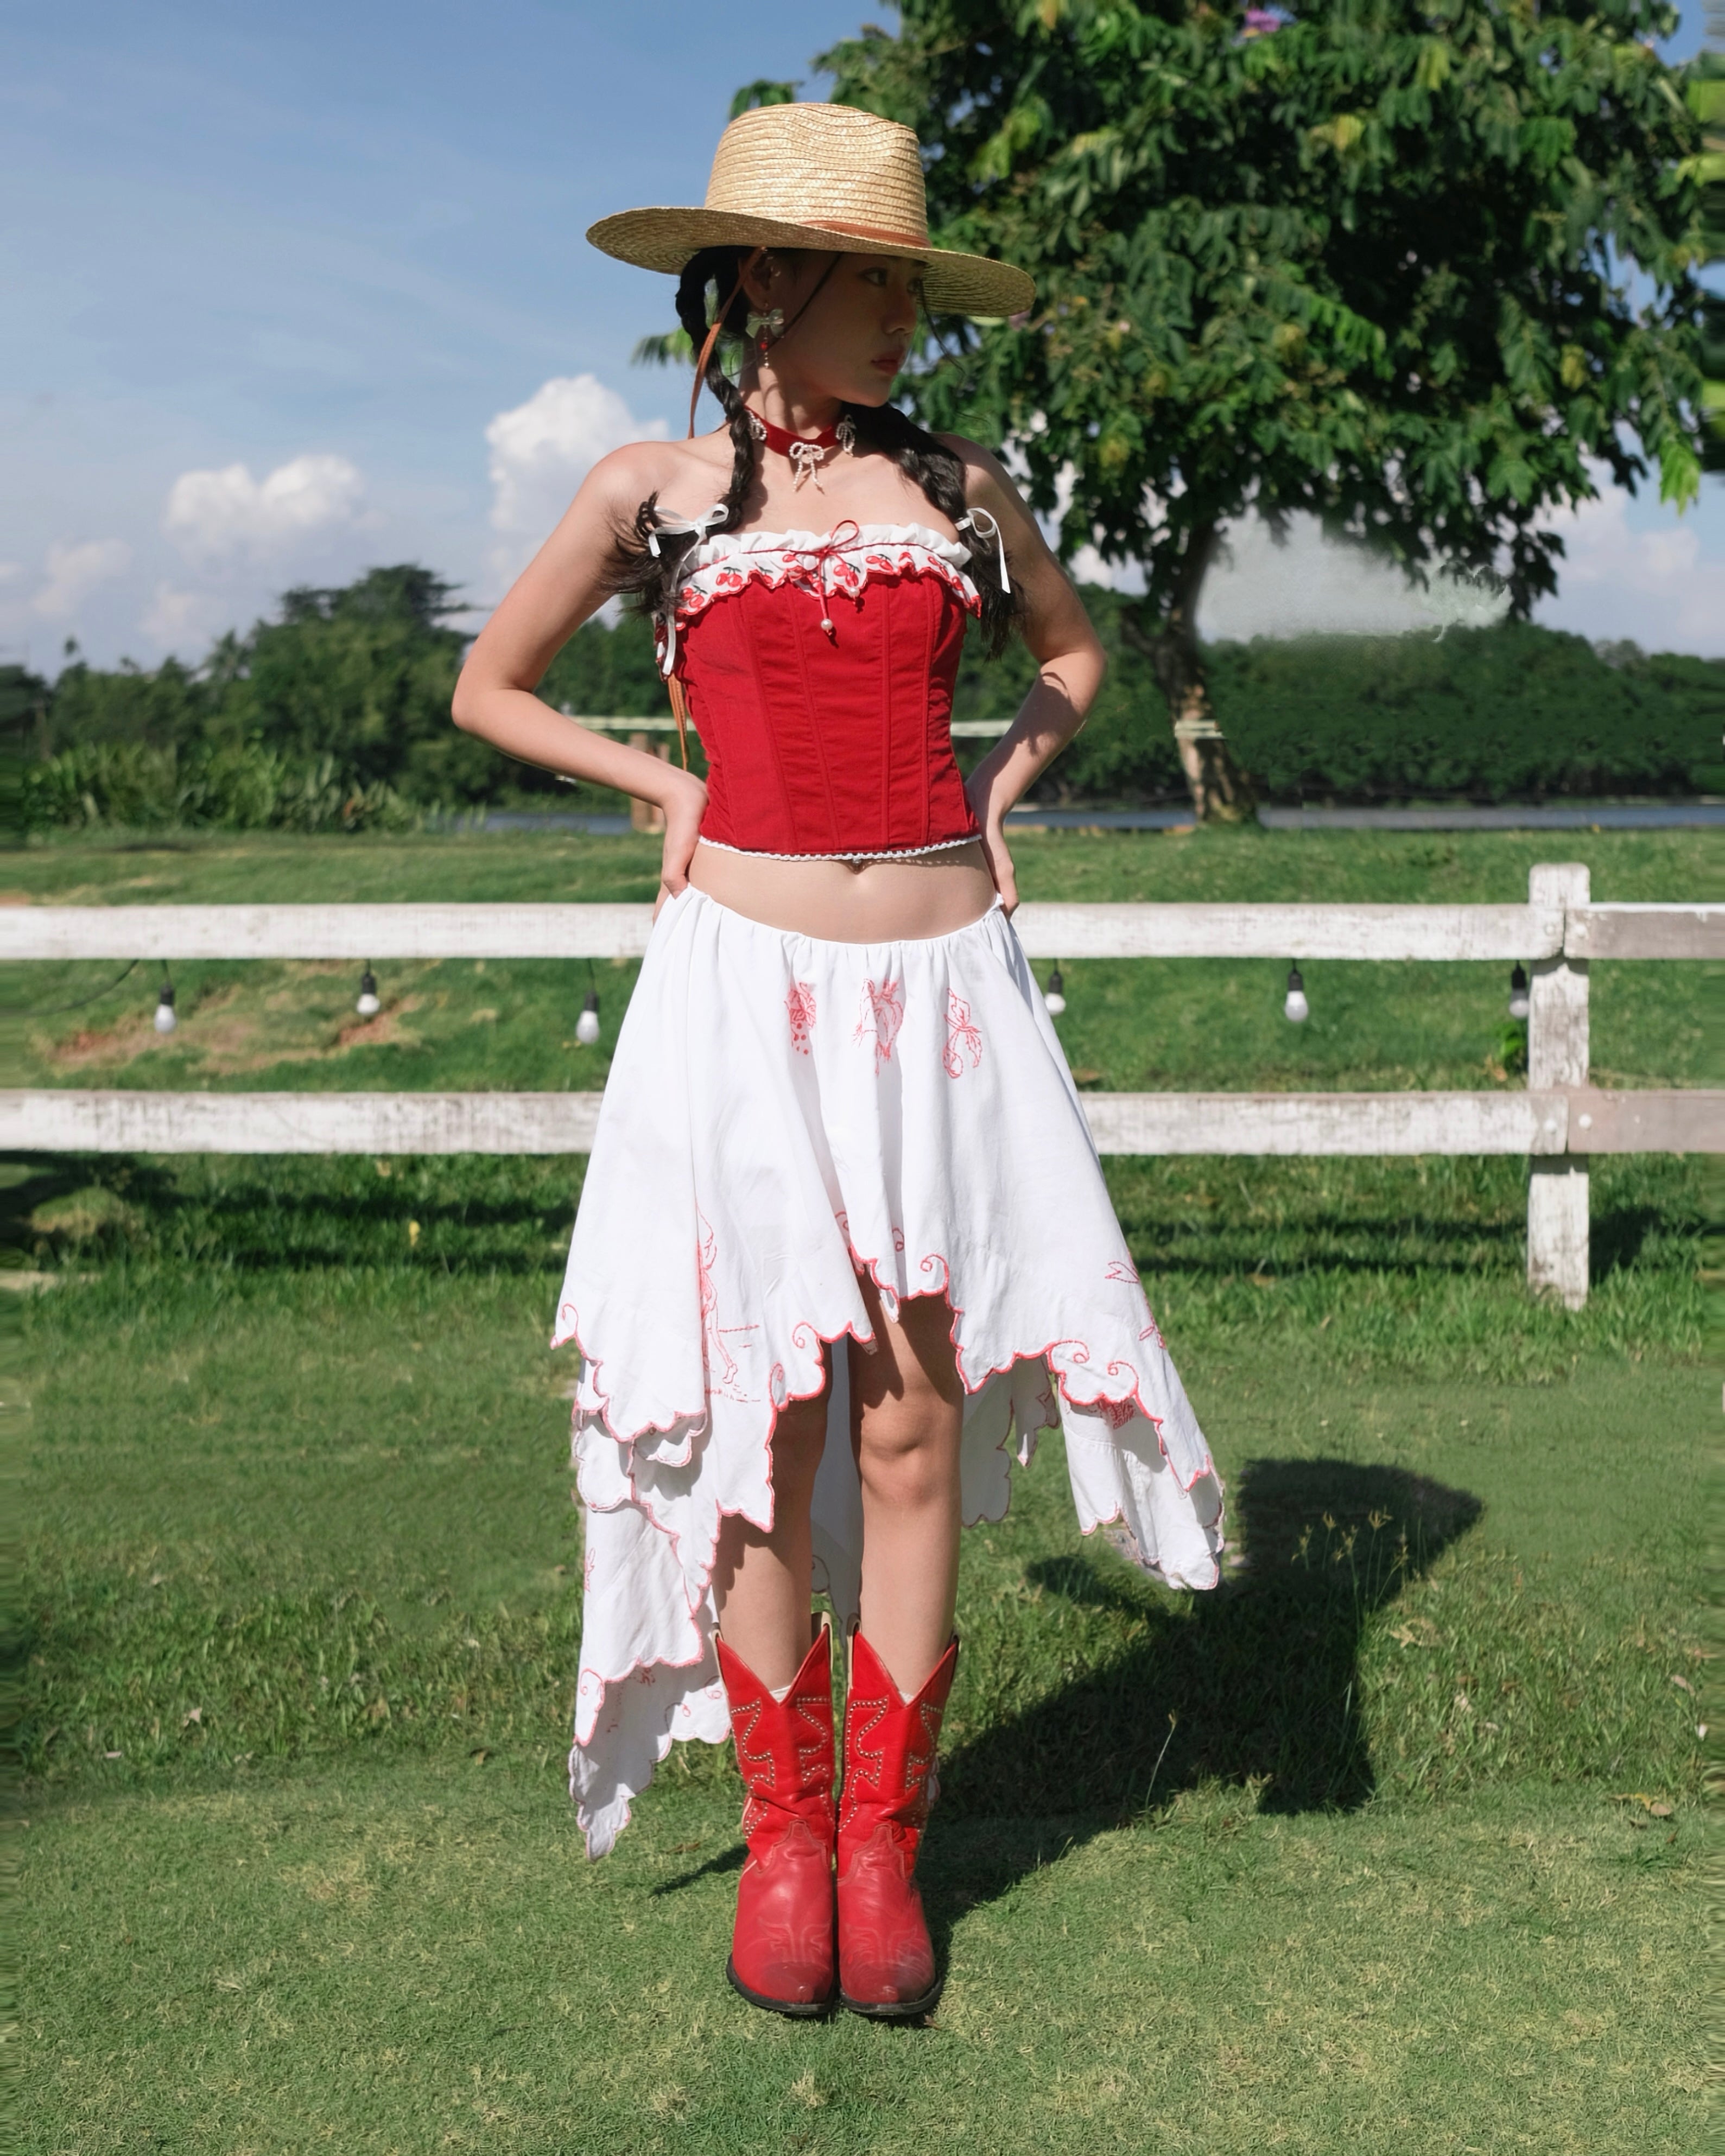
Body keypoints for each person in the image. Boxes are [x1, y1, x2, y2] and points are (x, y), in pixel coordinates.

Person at [452, 100, 1225, 2023]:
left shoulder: (961, 486)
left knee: (909, 1416)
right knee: (761, 1411)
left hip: (945, 1002)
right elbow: (489, 684)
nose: (896, 321)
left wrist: (1004, 774)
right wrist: (670, 787)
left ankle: (883, 1847)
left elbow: (1068, 659)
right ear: (765, 283)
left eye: (909, 284)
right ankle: (782, 1845)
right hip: (741, 1000)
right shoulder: (658, 491)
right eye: (866, 283)